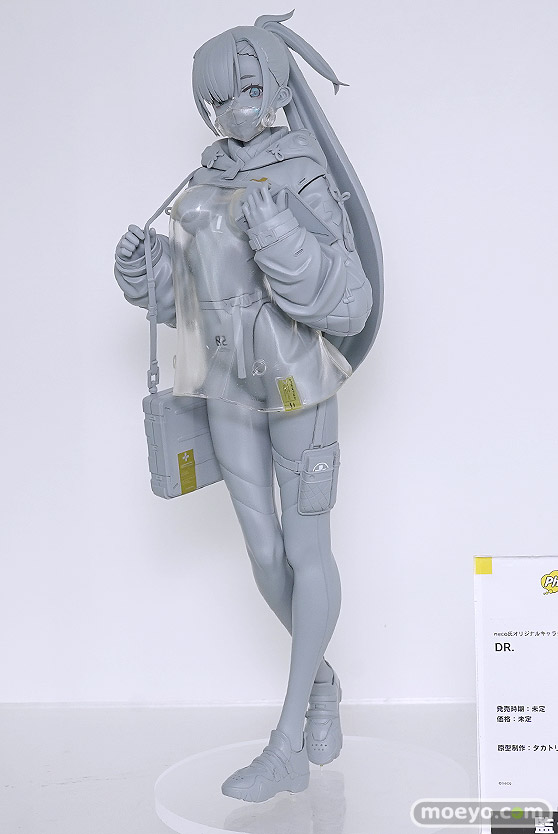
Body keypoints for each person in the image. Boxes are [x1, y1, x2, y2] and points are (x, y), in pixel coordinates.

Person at [114, 11, 382, 804]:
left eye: (247, 90)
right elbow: (195, 303)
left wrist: (284, 243)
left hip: (298, 383)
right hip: (227, 385)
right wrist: (147, 272)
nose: (232, 108)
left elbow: (351, 301)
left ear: (275, 88)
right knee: (264, 554)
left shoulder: (303, 174)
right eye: (218, 98)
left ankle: (287, 740)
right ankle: (322, 683)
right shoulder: (201, 183)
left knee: (304, 549)